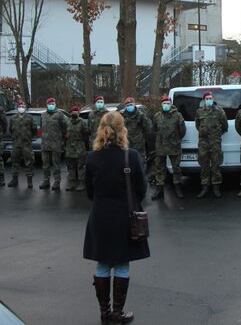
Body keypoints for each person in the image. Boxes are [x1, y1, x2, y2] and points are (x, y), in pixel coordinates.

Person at [83, 111, 150, 324]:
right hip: (124, 217)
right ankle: (118, 313)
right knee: (121, 264)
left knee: (102, 265)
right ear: (123, 129)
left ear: (101, 129)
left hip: (100, 217)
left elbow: (89, 191)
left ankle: (104, 312)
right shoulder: (132, 156)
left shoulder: (92, 157)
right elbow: (141, 189)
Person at [151, 95, 186, 200]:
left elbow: (182, 131)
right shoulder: (157, 116)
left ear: (171, 104)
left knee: (176, 169)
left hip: (174, 146)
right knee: (159, 169)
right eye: (164, 103)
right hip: (161, 147)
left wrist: (176, 139)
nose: (166, 105)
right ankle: (159, 190)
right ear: (161, 104)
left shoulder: (178, 115)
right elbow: (155, 128)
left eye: (168, 103)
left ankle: (178, 188)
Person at [195, 91, 228, 198]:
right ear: (204, 100)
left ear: (213, 99)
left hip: (215, 142)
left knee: (215, 165)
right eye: (207, 98)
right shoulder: (199, 112)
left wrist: (216, 134)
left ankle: (216, 187)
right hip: (203, 143)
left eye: (210, 98)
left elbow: (225, 126)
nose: (209, 100)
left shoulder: (219, 111)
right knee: (204, 165)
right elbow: (197, 125)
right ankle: (204, 187)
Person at [8, 101, 37, 188]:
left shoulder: (30, 118)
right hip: (16, 143)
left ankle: (29, 181)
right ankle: (14, 180)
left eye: (23, 106)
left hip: (26, 144)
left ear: (25, 107)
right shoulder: (13, 118)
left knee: (29, 162)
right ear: (17, 107)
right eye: (20, 105)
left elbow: (34, 129)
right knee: (14, 162)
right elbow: (10, 129)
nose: (21, 107)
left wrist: (28, 137)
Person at [40, 97, 67, 191]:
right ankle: (46, 181)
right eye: (50, 103)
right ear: (47, 104)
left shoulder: (60, 115)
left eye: (53, 103)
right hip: (45, 144)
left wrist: (60, 138)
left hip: (56, 144)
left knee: (56, 164)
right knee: (45, 164)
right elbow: (41, 129)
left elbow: (64, 127)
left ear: (55, 104)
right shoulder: (43, 115)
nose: (51, 105)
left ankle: (57, 181)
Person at [121, 96, 152, 171]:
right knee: (127, 163)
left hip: (139, 145)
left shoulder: (140, 115)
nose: (129, 106)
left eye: (131, 105)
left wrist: (142, 138)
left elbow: (148, 128)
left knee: (140, 163)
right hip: (126, 144)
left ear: (134, 104)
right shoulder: (122, 116)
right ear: (125, 106)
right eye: (128, 105)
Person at [65, 106, 89, 191]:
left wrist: (85, 145)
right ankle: (72, 183)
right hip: (69, 148)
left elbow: (86, 134)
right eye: (73, 111)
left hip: (80, 147)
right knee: (71, 167)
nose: (74, 112)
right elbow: (64, 133)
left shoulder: (82, 122)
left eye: (76, 111)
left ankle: (82, 183)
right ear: (70, 112)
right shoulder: (67, 122)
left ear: (78, 113)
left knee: (80, 166)